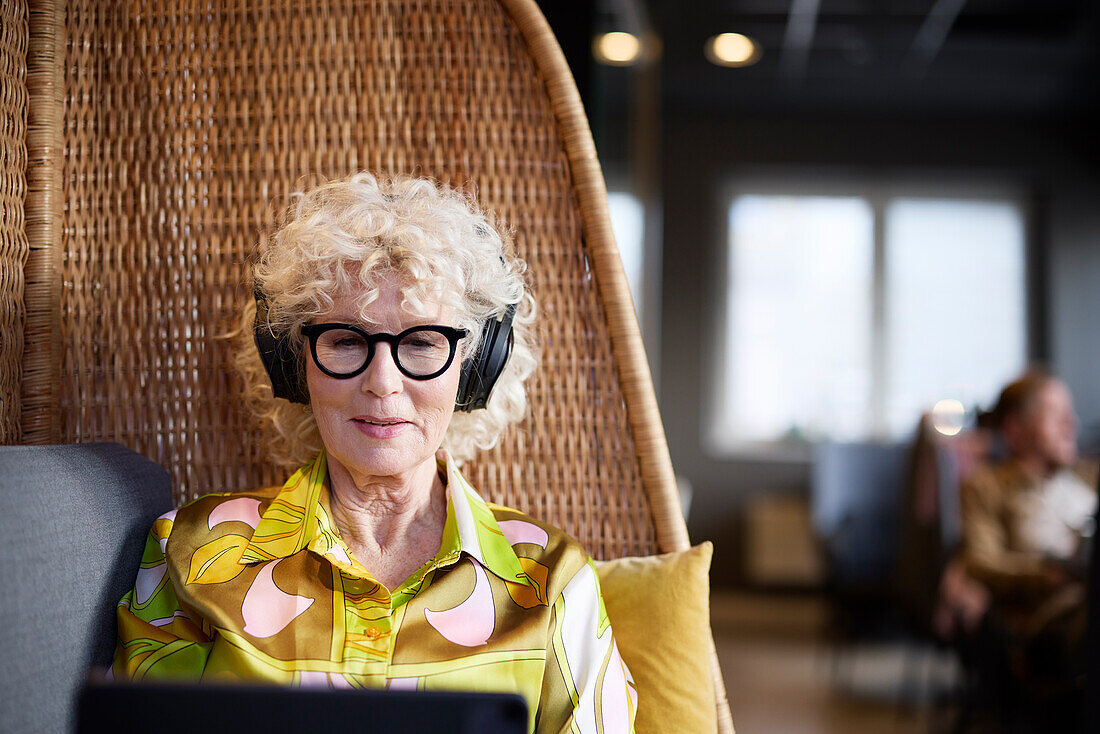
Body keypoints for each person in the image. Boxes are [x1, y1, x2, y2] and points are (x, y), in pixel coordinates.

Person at [111, 173, 637, 733]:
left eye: (421, 342)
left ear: (473, 370)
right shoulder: (189, 549)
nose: (383, 383)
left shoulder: (553, 579)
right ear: (295, 365)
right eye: (345, 340)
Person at [957, 369, 1098, 724]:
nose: (1071, 423)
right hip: (1048, 621)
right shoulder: (988, 485)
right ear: (1015, 429)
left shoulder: (1084, 480)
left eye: (1070, 412)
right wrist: (1044, 574)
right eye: (1055, 414)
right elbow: (979, 561)